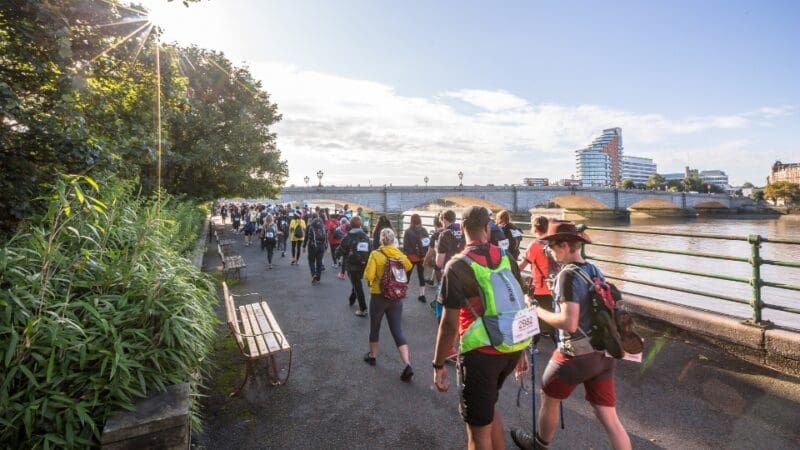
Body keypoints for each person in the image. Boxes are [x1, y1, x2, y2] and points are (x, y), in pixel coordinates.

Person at [510, 220, 631, 450]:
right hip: (603, 353)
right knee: (609, 417)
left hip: (576, 355)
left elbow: (569, 322)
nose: (549, 251)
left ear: (565, 245)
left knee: (548, 395)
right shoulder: (594, 269)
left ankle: (540, 444)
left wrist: (536, 309)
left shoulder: (567, 276)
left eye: (552, 246)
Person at [433, 206, 529, 450]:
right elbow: (518, 302)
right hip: (511, 347)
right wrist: (523, 349)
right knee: (489, 405)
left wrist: (439, 363)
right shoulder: (507, 258)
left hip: (480, 355)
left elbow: (449, 324)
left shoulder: (456, 266)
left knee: (477, 433)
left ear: (463, 228)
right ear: (488, 228)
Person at [363, 228, 414, 381]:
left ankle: (372, 356)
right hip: (396, 297)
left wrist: (372, 282)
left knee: (375, 326)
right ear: (393, 240)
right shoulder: (399, 254)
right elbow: (409, 266)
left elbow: (368, 275)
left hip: (379, 296)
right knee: (397, 331)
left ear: (381, 240)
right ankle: (407, 364)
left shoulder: (376, 254)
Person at [518, 216, 557, 337]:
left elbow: (522, 266)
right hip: (554, 286)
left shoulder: (534, 245)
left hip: (539, 287)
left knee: (535, 316)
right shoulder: (554, 242)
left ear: (535, 229)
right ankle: (554, 337)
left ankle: (534, 344)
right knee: (550, 313)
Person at [336, 216, 370, 316]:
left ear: (351, 225)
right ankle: (352, 299)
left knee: (357, 285)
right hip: (364, 264)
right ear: (360, 225)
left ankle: (363, 309)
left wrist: (337, 254)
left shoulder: (348, 237)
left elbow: (340, 250)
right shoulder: (365, 237)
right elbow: (370, 249)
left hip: (352, 265)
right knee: (357, 282)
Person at [402, 213, 430, 303]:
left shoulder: (408, 231)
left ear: (411, 221)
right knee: (421, 275)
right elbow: (427, 243)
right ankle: (422, 295)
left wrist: (409, 254)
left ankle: (404, 292)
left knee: (407, 275)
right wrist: (424, 254)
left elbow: (405, 246)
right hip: (422, 257)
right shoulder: (424, 230)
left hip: (411, 257)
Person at [304, 213, 328, 284]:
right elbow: (326, 236)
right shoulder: (323, 226)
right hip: (321, 246)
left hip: (312, 246)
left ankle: (313, 274)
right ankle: (318, 278)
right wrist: (326, 246)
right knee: (319, 261)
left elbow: (306, 237)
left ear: (312, 218)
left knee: (311, 260)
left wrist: (304, 246)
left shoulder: (310, 226)